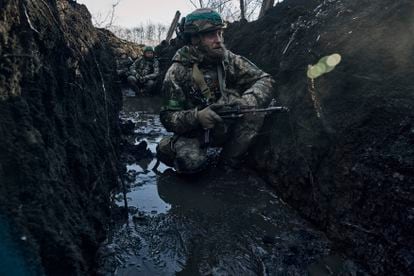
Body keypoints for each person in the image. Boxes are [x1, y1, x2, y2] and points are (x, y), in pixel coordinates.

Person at [156, 8, 275, 174]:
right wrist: (197, 116)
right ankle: (169, 148)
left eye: (220, 34)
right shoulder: (177, 71)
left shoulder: (228, 59)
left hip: (224, 126)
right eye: (211, 35)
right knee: (191, 164)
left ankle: (227, 164)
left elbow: (265, 79)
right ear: (195, 39)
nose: (219, 40)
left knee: (254, 112)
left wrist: (247, 102)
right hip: (193, 134)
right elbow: (167, 118)